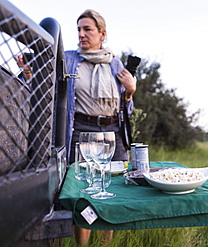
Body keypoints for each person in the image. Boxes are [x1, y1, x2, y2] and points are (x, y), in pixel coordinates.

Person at [64, 9, 136, 246]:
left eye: (87, 29)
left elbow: (128, 109)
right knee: (82, 191)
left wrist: (130, 92)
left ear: (102, 33)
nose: (81, 34)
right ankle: (82, 245)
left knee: (111, 189)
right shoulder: (70, 59)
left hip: (112, 131)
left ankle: (106, 244)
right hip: (81, 130)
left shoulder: (114, 63)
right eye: (79, 30)